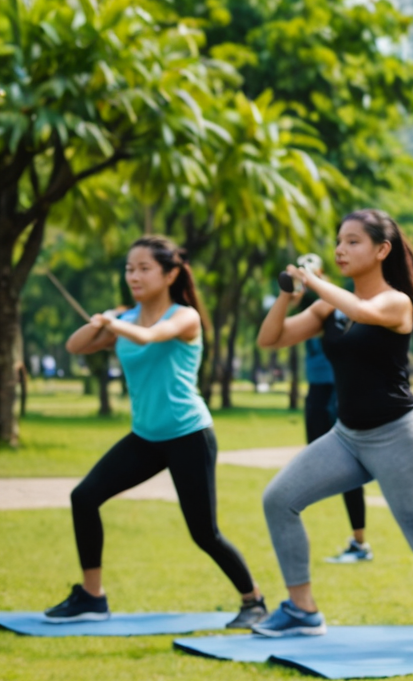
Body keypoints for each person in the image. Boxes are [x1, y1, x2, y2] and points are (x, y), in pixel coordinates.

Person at [249, 210, 413, 635]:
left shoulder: (396, 301)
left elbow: (362, 309)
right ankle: (303, 610)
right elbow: (271, 339)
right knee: (279, 499)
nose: (341, 249)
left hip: (399, 436)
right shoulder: (329, 305)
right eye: (339, 241)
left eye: (353, 241)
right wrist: (289, 296)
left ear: (382, 250)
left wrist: (312, 281)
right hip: (347, 437)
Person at [46, 237, 267, 628]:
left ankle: (254, 600)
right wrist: (101, 322)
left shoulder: (184, 318)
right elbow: (75, 345)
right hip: (145, 438)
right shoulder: (124, 320)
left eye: (144, 268)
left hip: (188, 435)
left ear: (170, 274)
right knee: (84, 497)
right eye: (130, 268)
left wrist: (116, 324)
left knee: (204, 532)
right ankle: (92, 597)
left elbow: (150, 337)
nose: (134, 275)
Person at [300, 336, 371, 562]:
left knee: (348, 465)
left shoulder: (340, 313)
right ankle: (358, 542)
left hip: (335, 390)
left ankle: (360, 543)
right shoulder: (312, 313)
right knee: (317, 461)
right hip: (316, 390)